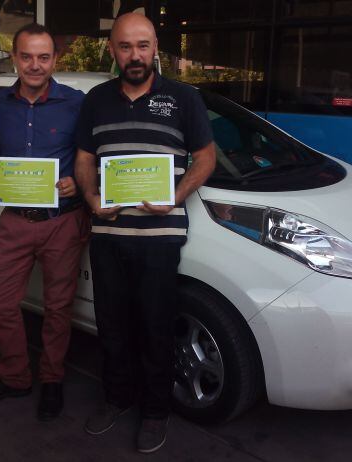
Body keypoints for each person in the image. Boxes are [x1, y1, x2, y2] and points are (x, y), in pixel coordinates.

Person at [74, 13, 215, 454]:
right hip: (109, 233)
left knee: (155, 327)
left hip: (159, 238)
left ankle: (155, 412)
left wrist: (175, 196)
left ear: (156, 48)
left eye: (142, 45)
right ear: (112, 50)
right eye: (124, 46)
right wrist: (92, 197)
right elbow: (82, 159)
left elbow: (206, 157)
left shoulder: (183, 98)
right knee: (112, 326)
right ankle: (117, 398)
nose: (134, 55)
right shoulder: (96, 99)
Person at [0, 22, 89, 422]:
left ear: (55, 59)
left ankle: (51, 379)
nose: (34, 65)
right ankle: (16, 377)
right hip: (16, 221)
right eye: (26, 56)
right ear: (14, 57)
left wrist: (81, 182)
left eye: (43, 57)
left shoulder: (76, 103)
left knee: (57, 307)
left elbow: (95, 154)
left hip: (63, 222)